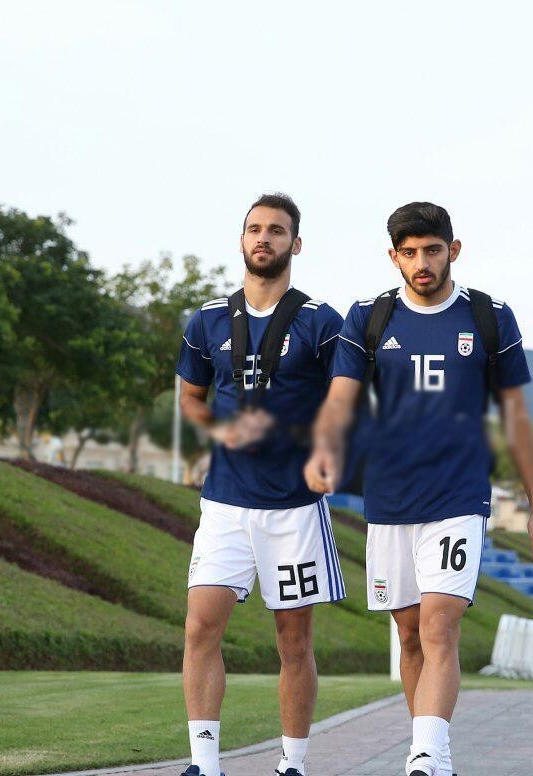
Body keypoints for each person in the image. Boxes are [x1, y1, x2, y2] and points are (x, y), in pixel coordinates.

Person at [304, 201, 533, 776]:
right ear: (393, 256)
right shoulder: (368, 317)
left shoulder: (489, 317)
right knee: (410, 634)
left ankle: (426, 757)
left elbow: (517, 418)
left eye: (433, 250)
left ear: (453, 250)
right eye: (410, 252)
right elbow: (341, 398)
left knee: (440, 624)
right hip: (390, 500)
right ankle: (429, 749)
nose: (422, 262)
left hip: (458, 496)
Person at [176, 193, 345, 776]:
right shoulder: (207, 320)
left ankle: (292, 764)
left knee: (293, 643)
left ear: (295, 243)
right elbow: (190, 398)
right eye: (254, 229)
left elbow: (345, 402)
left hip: (294, 508)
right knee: (200, 626)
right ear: (242, 240)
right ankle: (205, 764)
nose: (263, 238)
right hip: (224, 503)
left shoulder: (322, 322)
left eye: (276, 230)